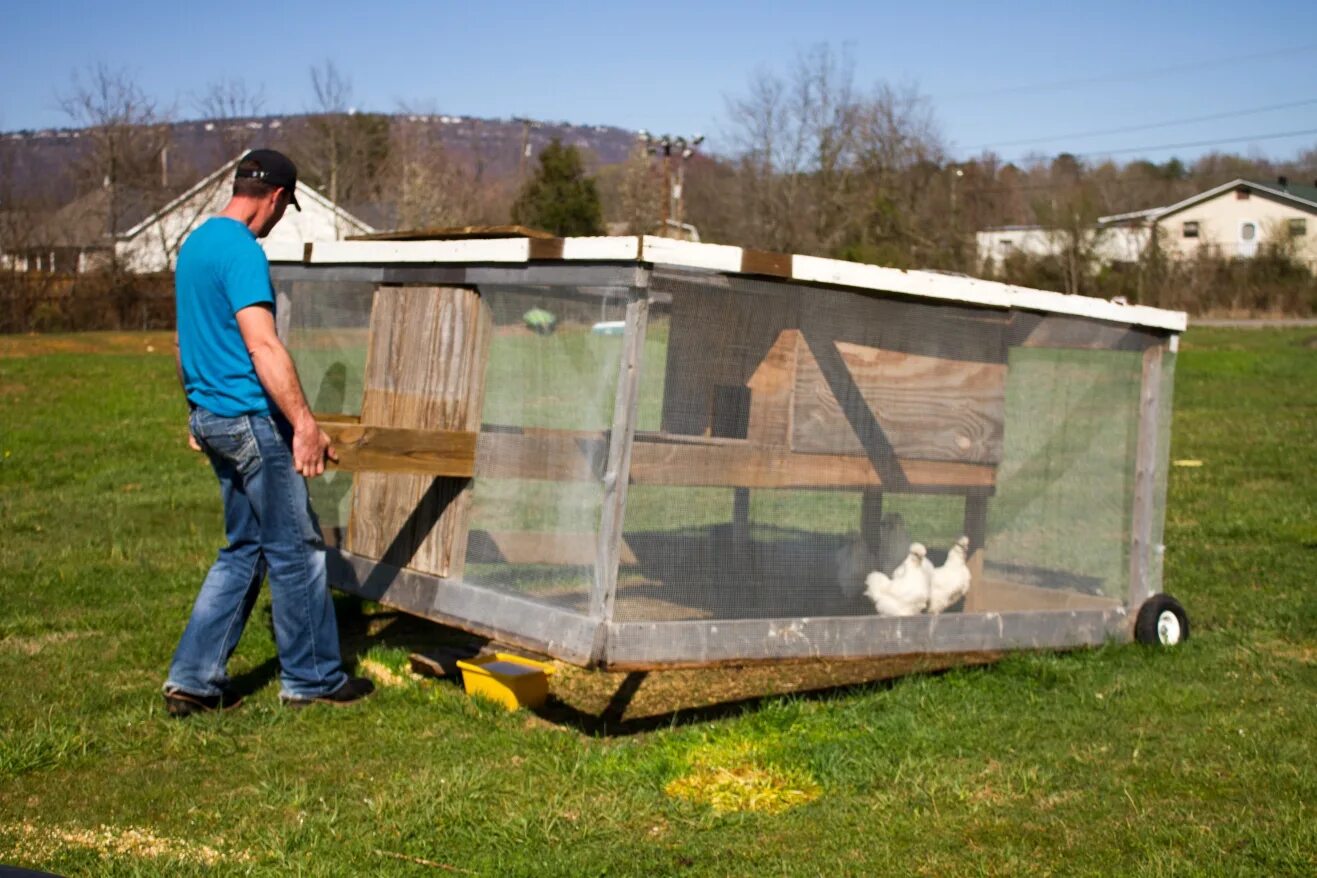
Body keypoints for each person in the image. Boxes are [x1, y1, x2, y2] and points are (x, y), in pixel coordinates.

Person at [163, 149, 373, 716]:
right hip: (251, 424)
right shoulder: (242, 251)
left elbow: (184, 343)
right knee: (297, 549)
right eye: (287, 207)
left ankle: (193, 679)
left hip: (213, 418)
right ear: (277, 197)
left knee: (244, 549)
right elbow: (262, 344)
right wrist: (304, 423)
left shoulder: (195, 244)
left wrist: (196, 411)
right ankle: (313, 678)